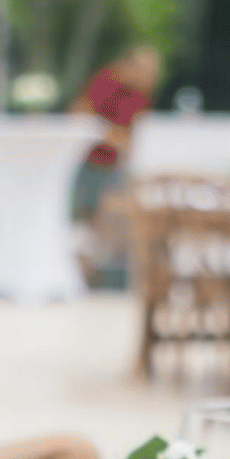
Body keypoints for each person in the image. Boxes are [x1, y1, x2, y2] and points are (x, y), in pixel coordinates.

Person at [69, 43, 163, 287]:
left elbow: (133, 128)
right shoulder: (107, 81)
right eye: (146, 70)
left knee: (112, 217)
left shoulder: (142, 94)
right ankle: (84, 273)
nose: (151, 77)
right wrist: (113, 137)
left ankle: (100, 272)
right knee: (89, 218)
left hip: (114, 163)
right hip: (89, 160)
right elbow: (79, 114)